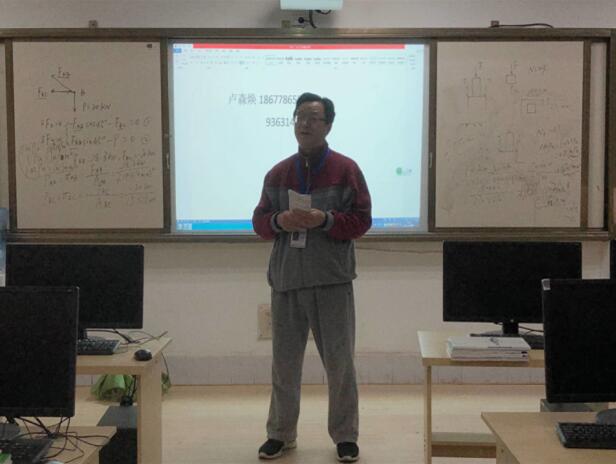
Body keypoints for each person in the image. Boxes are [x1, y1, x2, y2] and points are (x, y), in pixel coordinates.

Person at [252, 92, 372, 462]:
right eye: (299, 116)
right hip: (287, 280)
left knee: (340, 364)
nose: (304, 123)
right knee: (284, 365)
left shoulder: (346, 169)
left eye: (313, 118)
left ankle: (345, 436)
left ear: (328, 125)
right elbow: (259, 222)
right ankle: (280, 433)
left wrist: (326, 219)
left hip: (331, 279)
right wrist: (280, 220)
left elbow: (362, 220)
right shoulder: (278, 173)